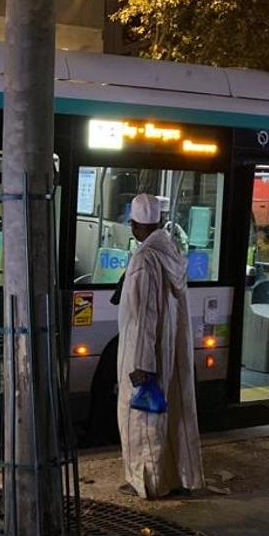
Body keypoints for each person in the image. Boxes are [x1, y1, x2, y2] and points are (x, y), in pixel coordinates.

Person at [115, 193, 205, 499]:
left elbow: (144, 314)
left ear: (135, 225)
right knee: (166, 415)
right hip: (166, 350)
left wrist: (142, 363)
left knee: (140, 419)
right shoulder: (170, 251)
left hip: (145, 355)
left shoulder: (144, 259)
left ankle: (146, 481)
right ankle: (173, 475)